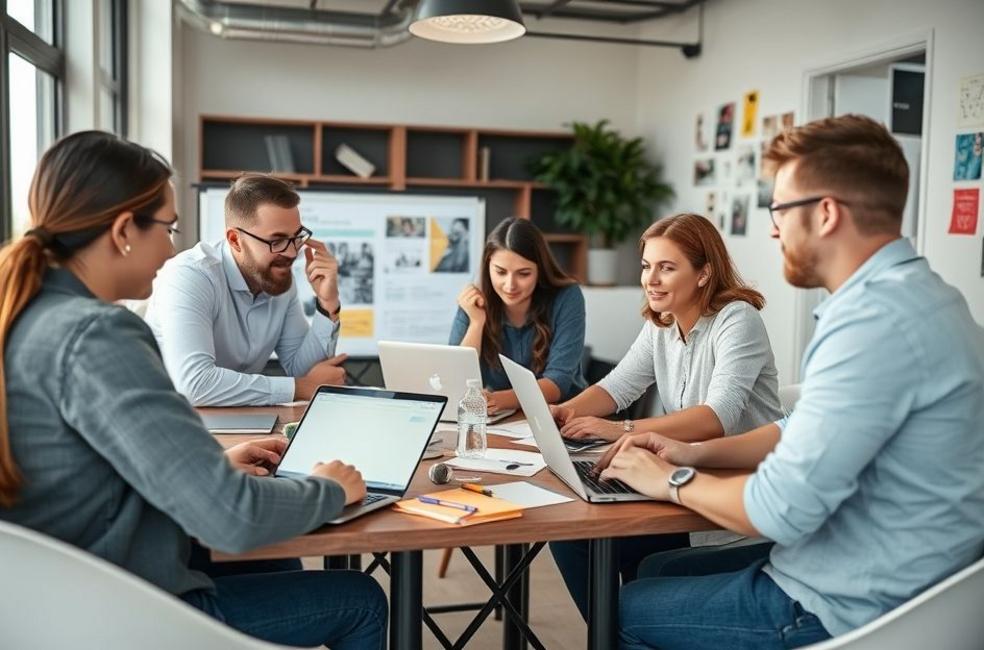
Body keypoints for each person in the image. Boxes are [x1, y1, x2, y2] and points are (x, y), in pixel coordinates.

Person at [606, 115, 984, 650]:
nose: (773, 228)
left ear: (826, 213)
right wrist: (691, 453)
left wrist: (666, 479)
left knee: (618, 607)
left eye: (780, 209)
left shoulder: (871, 323)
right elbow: (795, 425)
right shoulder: (928, 299)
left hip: (850, 602)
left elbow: (778, 509)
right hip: (893, 568)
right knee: (661, 564)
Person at [0, 131, 387, 648]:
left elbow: (81, 474)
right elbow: (233, 519)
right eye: (169, 227)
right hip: (125, 605)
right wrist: (332, 488)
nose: (172, 244)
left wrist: (215, 466)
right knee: (360, 599)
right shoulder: (98, 334)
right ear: (122, 232)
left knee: (279, 561)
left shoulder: (27, 314)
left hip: (57, 596)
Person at [549, 212, 783, 619]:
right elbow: (618, 386)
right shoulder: (663, 323)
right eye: (646, 266)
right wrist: (564, 410)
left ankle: (620, 634)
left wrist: (620, 428)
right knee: (571, 535)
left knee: (609, 545)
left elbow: (716, 417)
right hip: (684, 478)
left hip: (733, 495)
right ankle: (612, 636)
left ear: (703, 274)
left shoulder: (737, 320)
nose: (650, 279)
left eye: (666, 268)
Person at [145, 174, 347, 406]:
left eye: (296, 238)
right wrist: (299, 387)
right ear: (235, 240)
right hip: (172, 420)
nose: (292, 253)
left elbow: (306, 370)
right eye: (277, 241)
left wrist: (327, 302)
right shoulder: (190, 275)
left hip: (241, 422)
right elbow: (195, 384)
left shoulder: (278, 279)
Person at [449, 217, 586, 412]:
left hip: (563, 413)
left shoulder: (567, 297)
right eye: (500, 272)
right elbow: (455, 378)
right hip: (506, 417)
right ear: (488, 266)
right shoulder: (474, 298)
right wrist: (476, 323)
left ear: (540, 270)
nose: (510, 285)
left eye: (523, 274)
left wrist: (499, 400)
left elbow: (558, 382)